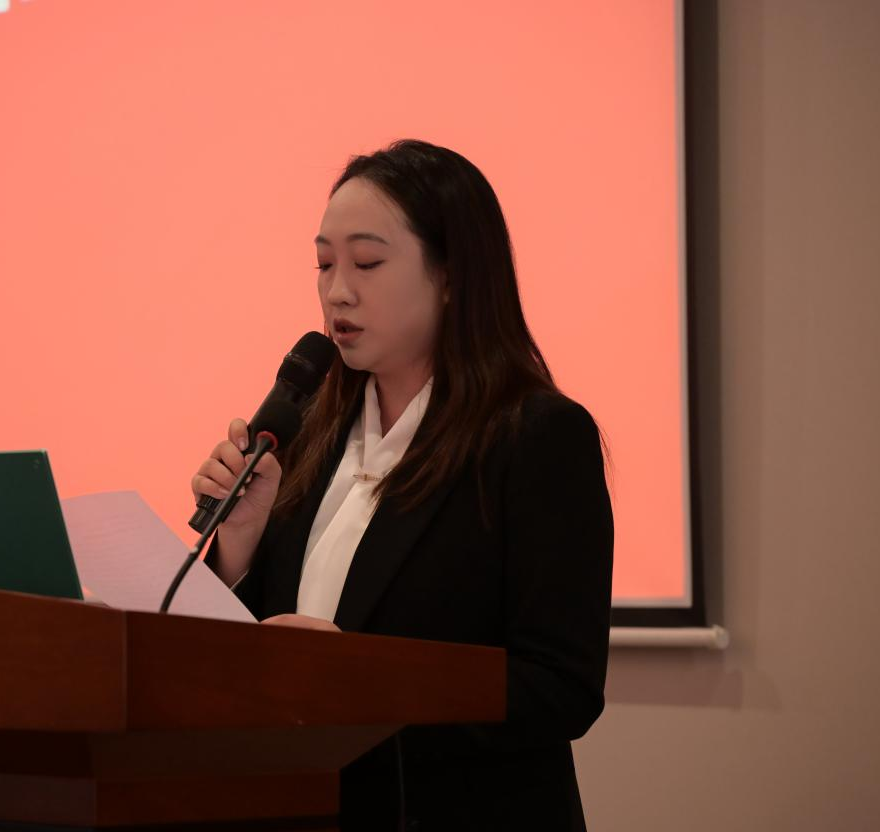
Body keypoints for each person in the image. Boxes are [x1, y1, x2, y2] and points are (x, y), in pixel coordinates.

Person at [191, 139, 614, 831]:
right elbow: (259, 660)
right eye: (324, 264)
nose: (337, 291)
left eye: (366, 262)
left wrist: (360, 683)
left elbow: (560, 687)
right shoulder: (307, 429)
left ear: (451, 275)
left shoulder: (536, 437)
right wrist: (237, 547)